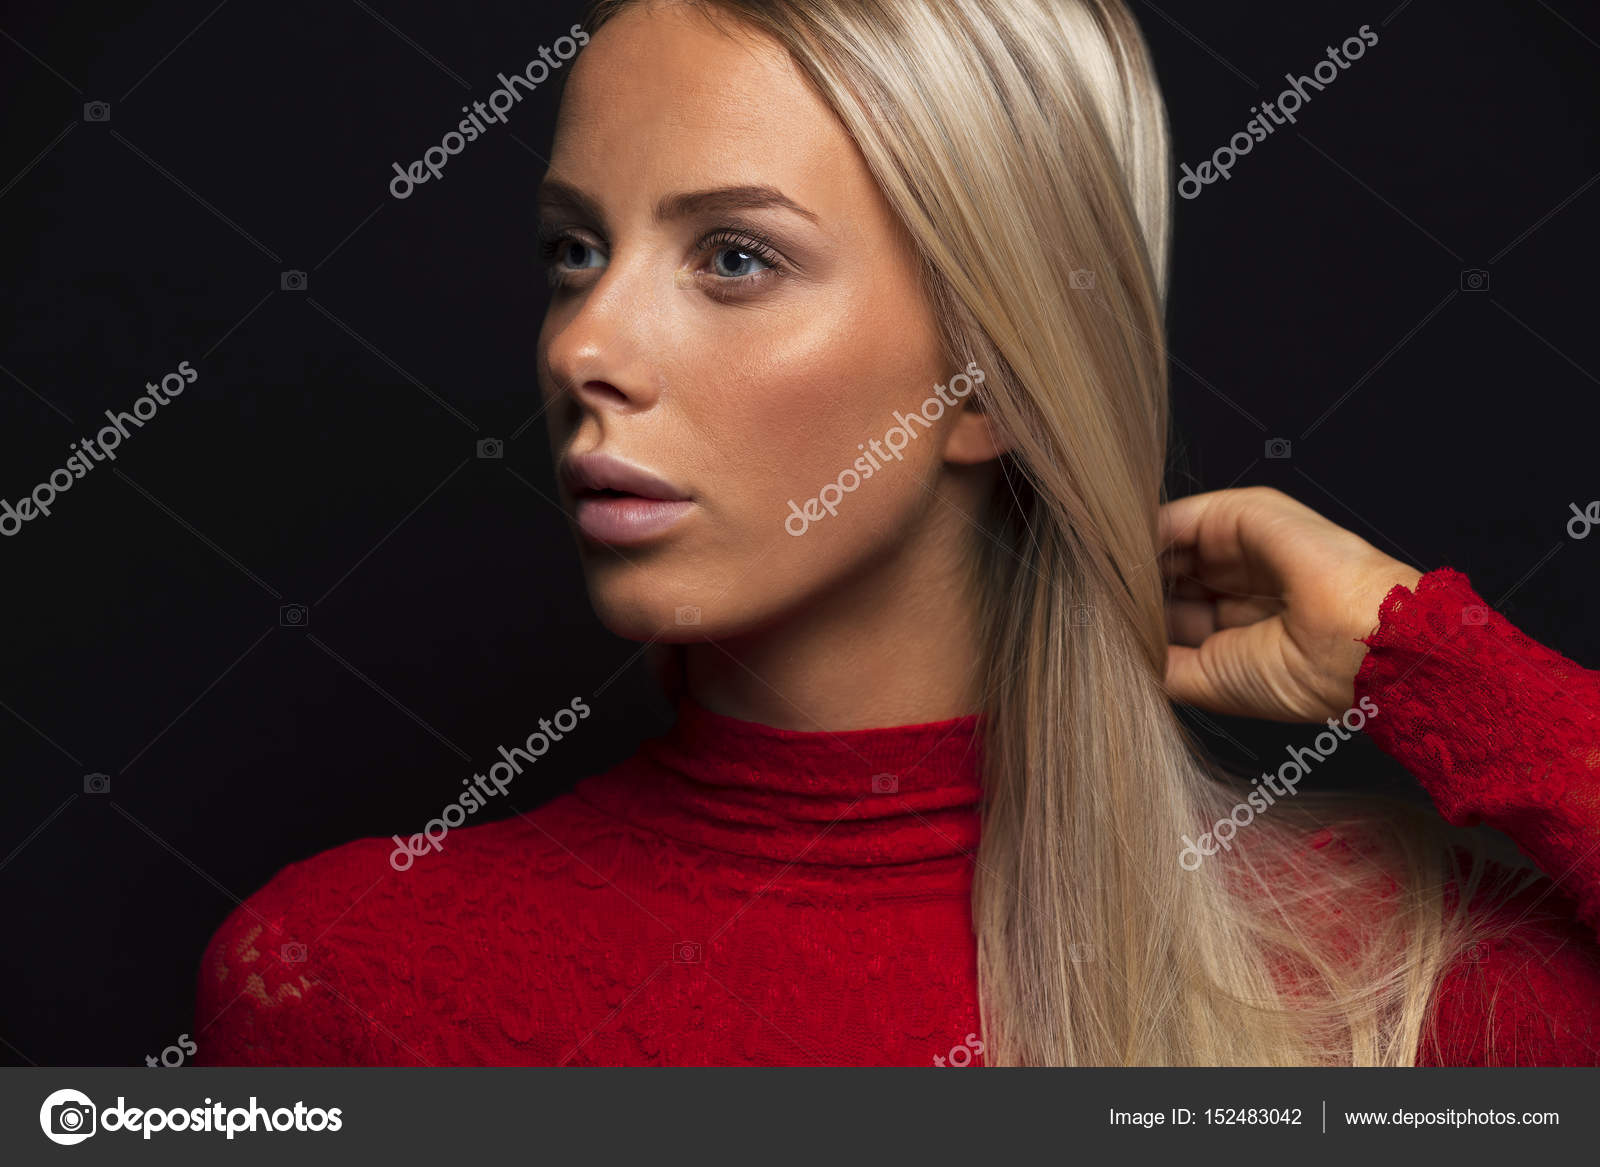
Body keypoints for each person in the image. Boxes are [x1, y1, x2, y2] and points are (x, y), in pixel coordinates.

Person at [194, 0, 1600, 1066]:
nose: (585, 345)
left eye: (733, 257)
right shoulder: (347, 981)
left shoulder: (1402, 986)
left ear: (987, 374)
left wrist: (1430, 657)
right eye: (576, 250)